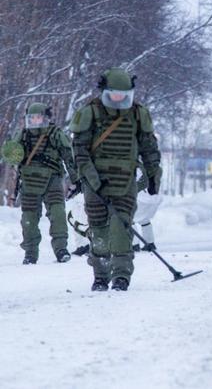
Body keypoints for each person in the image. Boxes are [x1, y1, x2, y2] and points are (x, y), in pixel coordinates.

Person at [70, 67, 162, 291]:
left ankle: (121, 275)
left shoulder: (138, 114)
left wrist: (153, 176)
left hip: (125, 180)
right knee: (99, 228)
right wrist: (94, 180)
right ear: (104, 91)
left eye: (123, 96)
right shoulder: (89, 113)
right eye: (114, 95)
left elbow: (149, 149)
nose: (119, 100)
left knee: (122, 226)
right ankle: (100, 276)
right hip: (95, 182)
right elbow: (79, 151)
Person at [1, 103, 78, 264]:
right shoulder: (23, 134)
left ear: (45, 118)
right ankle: (30, 253)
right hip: (29, 181)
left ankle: (61, 249)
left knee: (57, 214)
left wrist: (76, 179)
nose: (35, 121)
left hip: (52, 180)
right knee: (29, 218)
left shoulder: (55, 134)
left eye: (38, 118)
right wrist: (10, 148)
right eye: (32, 118)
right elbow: (12, 156)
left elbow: (68, 156)